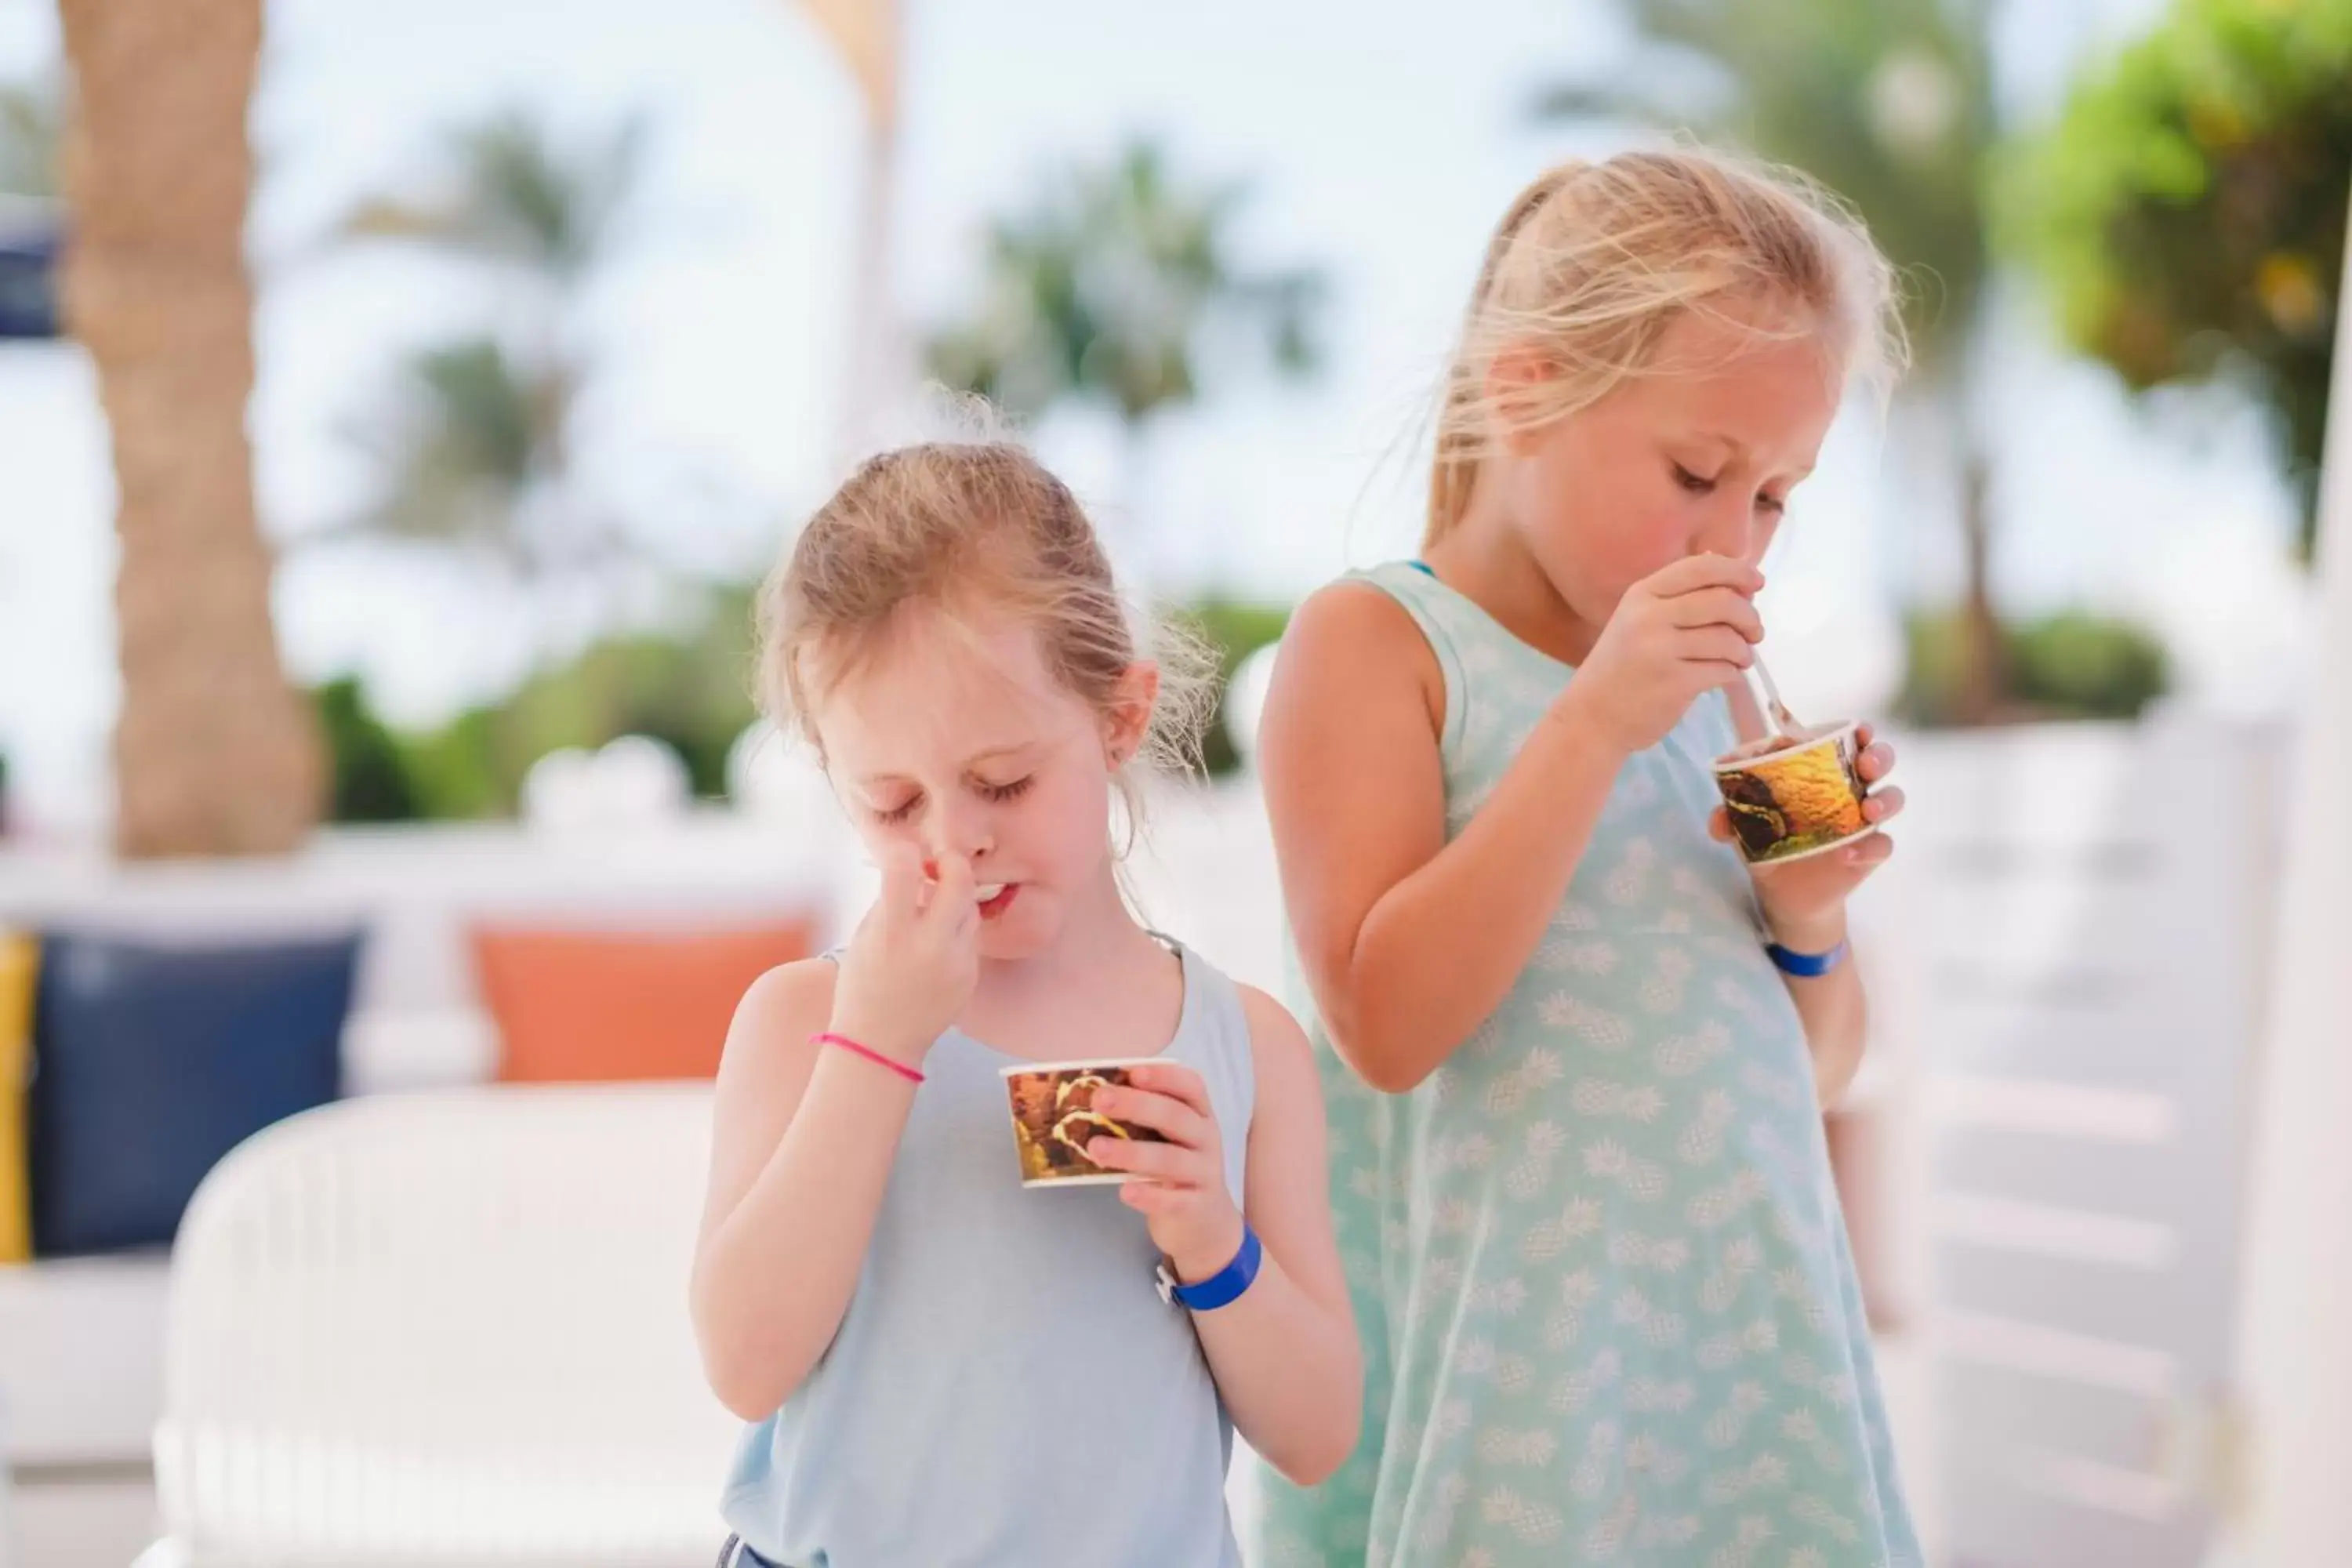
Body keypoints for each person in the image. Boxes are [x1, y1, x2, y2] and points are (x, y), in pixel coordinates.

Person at [1251, 147, 1922, 1566]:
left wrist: (1807, 919)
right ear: (1525, 388)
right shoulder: (1377, 644)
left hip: (1752, 1377)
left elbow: (1814, 1070)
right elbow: (1385, 1024)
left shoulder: (1731, 695)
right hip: (1526, 1386)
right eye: (1697, 473)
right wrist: (1596, 724)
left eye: (1774, 499)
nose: (1736, 547)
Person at [691, 434, 1361, 1568]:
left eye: (1002, 783)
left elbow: (1318, 1435)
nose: (957, 841)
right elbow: (746, 1362)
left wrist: (1214, 1242)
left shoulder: (1243, 1043)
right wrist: (878, 1047)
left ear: (1119, 718)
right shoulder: (804, 1024)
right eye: (894, 805)